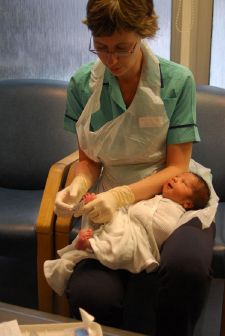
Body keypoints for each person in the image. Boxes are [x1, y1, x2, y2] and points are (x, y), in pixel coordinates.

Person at [54, 1, 216, 335]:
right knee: (90, 295)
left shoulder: (175, 81)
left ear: (143, 33)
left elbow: (177, 167)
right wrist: (77, 187)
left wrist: (122, 195)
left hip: (176, 195)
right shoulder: (83, 85)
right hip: (112, 199)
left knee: (187, 268)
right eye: (101, 48)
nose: (111, 60)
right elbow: (88, 161)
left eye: (122, 48)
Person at [45, 172, 210, 297]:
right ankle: (92, 218)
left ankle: (91, 246)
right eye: (177, 176)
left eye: (183, 182)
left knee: (124, 246)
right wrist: (79, 184)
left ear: (187, 203)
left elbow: (162, 228)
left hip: (142, 239)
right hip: (128, 220)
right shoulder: (156, 197)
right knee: (109, 220)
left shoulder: (177, 210)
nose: (175, 179)